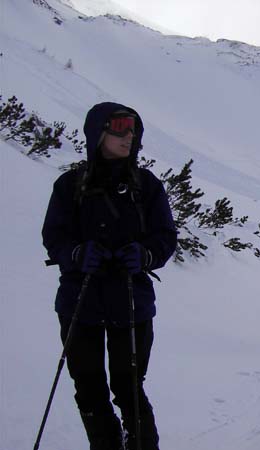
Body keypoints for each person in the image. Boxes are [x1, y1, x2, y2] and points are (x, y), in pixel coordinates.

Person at [42, 102, 177, 450]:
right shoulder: (70, 185)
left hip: (131, 300)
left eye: (132, 130)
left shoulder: (146, 186)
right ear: (98, 132)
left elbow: (165, 236)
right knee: (87, 386)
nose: (128, 136)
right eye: (119, 128)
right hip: (80, 300)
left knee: (129, 385)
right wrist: (75, 254)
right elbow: (54, 235)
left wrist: (145, 254)